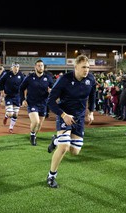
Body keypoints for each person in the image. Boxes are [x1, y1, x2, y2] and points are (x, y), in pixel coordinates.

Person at [45, 55, 96, 188]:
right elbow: (50, 101)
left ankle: (55, 140)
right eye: (83, 67)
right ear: (76, 67)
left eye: (88, 67)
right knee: (64, 146)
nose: (86, 70)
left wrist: (90, 112)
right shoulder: (64, 80)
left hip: (79, 118)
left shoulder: (90, 79)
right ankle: (51, 176)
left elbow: (93, 95)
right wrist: (63, 115)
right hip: (64, 115)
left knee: (75, 151)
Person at [20, 59, 54, 146]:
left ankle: (34, 136)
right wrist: (22, 99)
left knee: (39, 125)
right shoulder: (29, 77)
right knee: (36, 121)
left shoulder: (48, 78)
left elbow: (53, 89)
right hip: (32, 103)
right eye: (38, 65)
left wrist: (51, 91)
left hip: (43, 104)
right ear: (35, 67)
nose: (40, 67)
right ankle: (32, 134)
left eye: (42, 65)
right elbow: (21, 88)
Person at [0, 62, 25, 134]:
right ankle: (6, 116)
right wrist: (2, 91)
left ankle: (11, 128)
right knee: (10, 114)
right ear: (12, 68)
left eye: (17, 67)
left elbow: (24, 85)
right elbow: (0, 83)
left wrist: (23, 97)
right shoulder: (7, 74)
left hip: (17, 96)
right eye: (15, 67)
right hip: (8, 96)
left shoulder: (21, 75)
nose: (16, 68)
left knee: (15, 114)